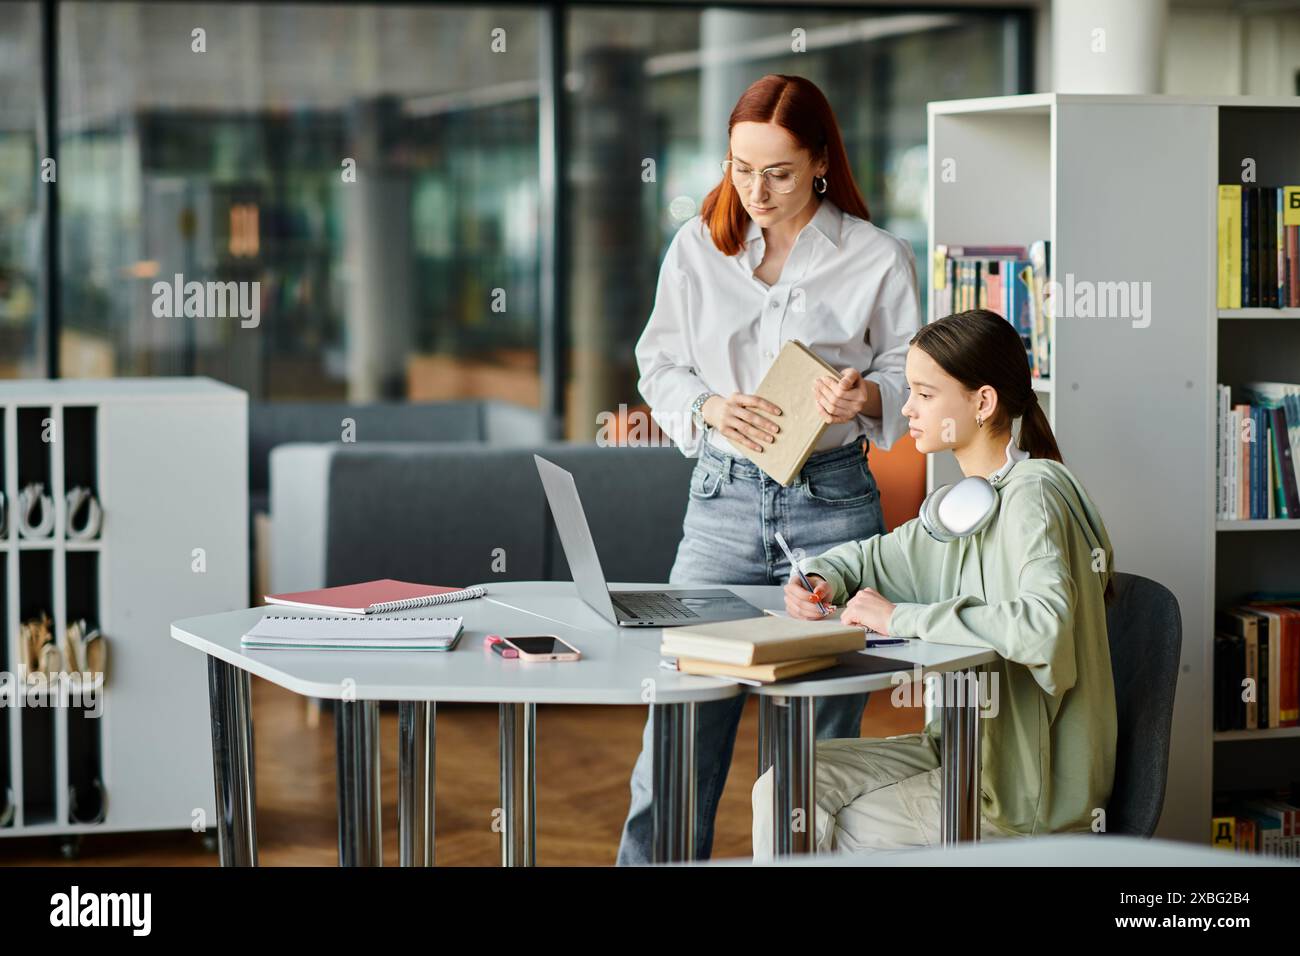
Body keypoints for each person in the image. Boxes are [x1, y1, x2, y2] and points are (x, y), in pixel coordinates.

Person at [620, 73, 920, 864]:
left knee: (816, 751)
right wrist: (709, 406)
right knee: (680, 733)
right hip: (721, 500)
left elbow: (905, 376)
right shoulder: (697, 247)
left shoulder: (878, 258)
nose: (755, 189)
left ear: (821, 161)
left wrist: (866, 394)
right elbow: (657, 362)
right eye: (740, 168)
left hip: (835, 504)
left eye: (778, 171)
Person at [752, 308, 1117, 857]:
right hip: (956, 749)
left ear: (983, 402)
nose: (905, 408)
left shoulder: (1032, 494)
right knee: (784, 787)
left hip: (1021, 795)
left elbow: (1045, 628)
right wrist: (823, 575)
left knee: (828, 823)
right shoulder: (960, 508)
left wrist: (898, 617)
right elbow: (873, 557)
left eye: (924, 394)